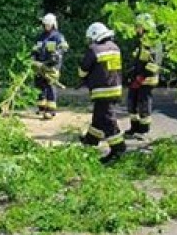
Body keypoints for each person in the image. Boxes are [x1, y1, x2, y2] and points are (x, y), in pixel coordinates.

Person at [77, 22, 125, 161]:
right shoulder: (115, 48)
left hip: (102, 91)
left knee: (108, 121)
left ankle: (118, 149)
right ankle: (90, 141)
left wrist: (82, 77)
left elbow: (84, 69)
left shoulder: (94, 49)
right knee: (98, 118)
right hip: (115, 88)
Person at [125, 12, 160, 139]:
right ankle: (134, 127)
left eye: (138, 26)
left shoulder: (153, 41)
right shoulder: (142, 40)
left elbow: (153, 64)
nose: (136, 29)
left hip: (147, 80)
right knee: (132, 102)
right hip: (138, 78)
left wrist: (140, 78)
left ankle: (144, 130)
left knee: (144, 104)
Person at [31, 13, 68, 119]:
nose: (46, 26)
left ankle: (51, 110)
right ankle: (42, 107)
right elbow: (35, 48)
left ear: (53, 24)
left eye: (48, 24)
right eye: (45, 24)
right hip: (40, 65)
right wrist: (33, 56)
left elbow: (64, 47)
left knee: (50, 85)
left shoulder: (58, 36)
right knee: (39, 85)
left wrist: (57, 53)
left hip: (52, 66)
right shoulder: (41, 36)